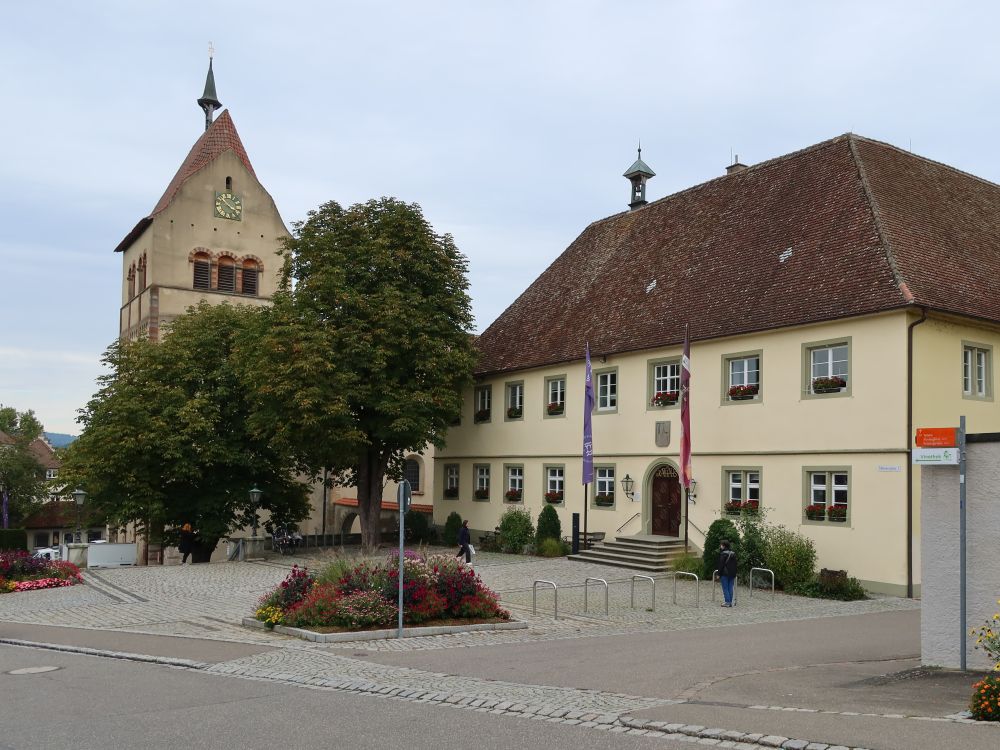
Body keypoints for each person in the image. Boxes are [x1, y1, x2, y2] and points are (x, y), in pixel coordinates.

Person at [717, 539, 737, 607]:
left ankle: (727, 602)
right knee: (730, 587)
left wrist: (718, 574)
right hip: (732, 574)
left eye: (721, 545)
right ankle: (730, 602)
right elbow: (735, 564)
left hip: (724, 574)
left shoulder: (723, 554)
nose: (720, 546)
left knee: (725, 588)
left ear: (724, 546)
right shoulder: (733, 554)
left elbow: (721, 565)